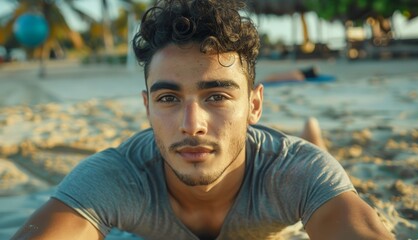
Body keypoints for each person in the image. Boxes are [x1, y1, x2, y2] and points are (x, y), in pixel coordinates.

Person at [13, 0, 393, 239]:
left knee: (317, 153)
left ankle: (312, 134)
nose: (191, 124)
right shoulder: (116, 177)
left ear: (254, 106)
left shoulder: (297, 171)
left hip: (295, 164)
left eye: (217, 96)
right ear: (147, 107)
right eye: (168, 98)